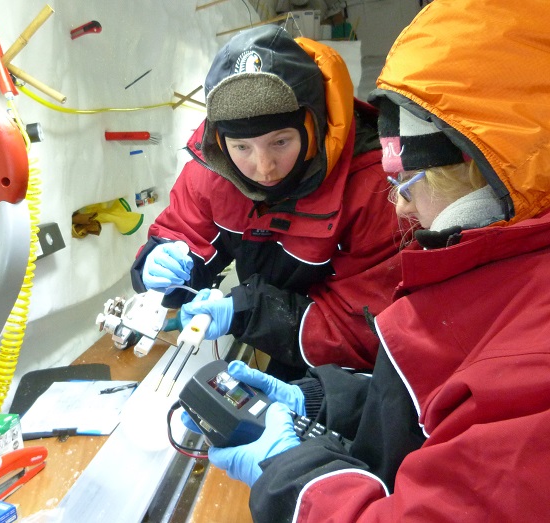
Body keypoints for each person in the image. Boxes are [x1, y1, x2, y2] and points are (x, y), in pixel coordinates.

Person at [202, 0, 550, 520]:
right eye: (242, 148)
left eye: (408, 182)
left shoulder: (530, 353)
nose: (401, 204)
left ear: (484, 175)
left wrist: (296, 481)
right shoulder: (500, 275)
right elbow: (432, 405)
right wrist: (324, 401)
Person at [131, 25, 401, 380]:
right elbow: (183, 229)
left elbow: (365, 328)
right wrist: (161, 258)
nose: (263, 168)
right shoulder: (214, 169)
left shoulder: (374, 188)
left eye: (280, 142)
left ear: (315, 124)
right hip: (283, 331)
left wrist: (248, 313)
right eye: (242, 147)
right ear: (219, 138)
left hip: (340, 366)